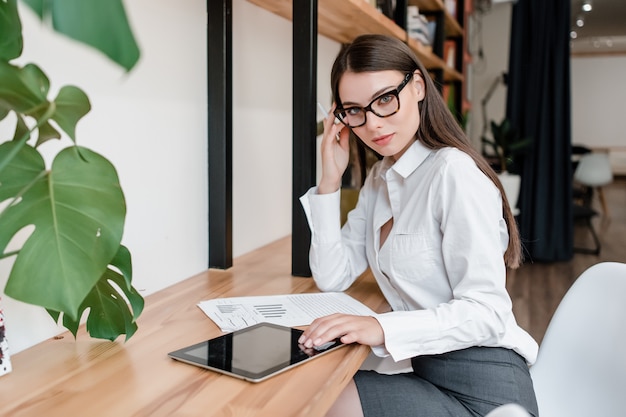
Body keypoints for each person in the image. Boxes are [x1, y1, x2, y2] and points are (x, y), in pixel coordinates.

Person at [298, 34, 539, 417]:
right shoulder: (379, 177)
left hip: (486, 390)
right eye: (355, 110)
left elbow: (486, 312)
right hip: (426, 368)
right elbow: (332, 275)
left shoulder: (454, 173)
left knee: (321, 403)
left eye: (385, 100)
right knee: (314, 393)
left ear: (417, 87)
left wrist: (381, 328)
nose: (373, 124)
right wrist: (330, 180)